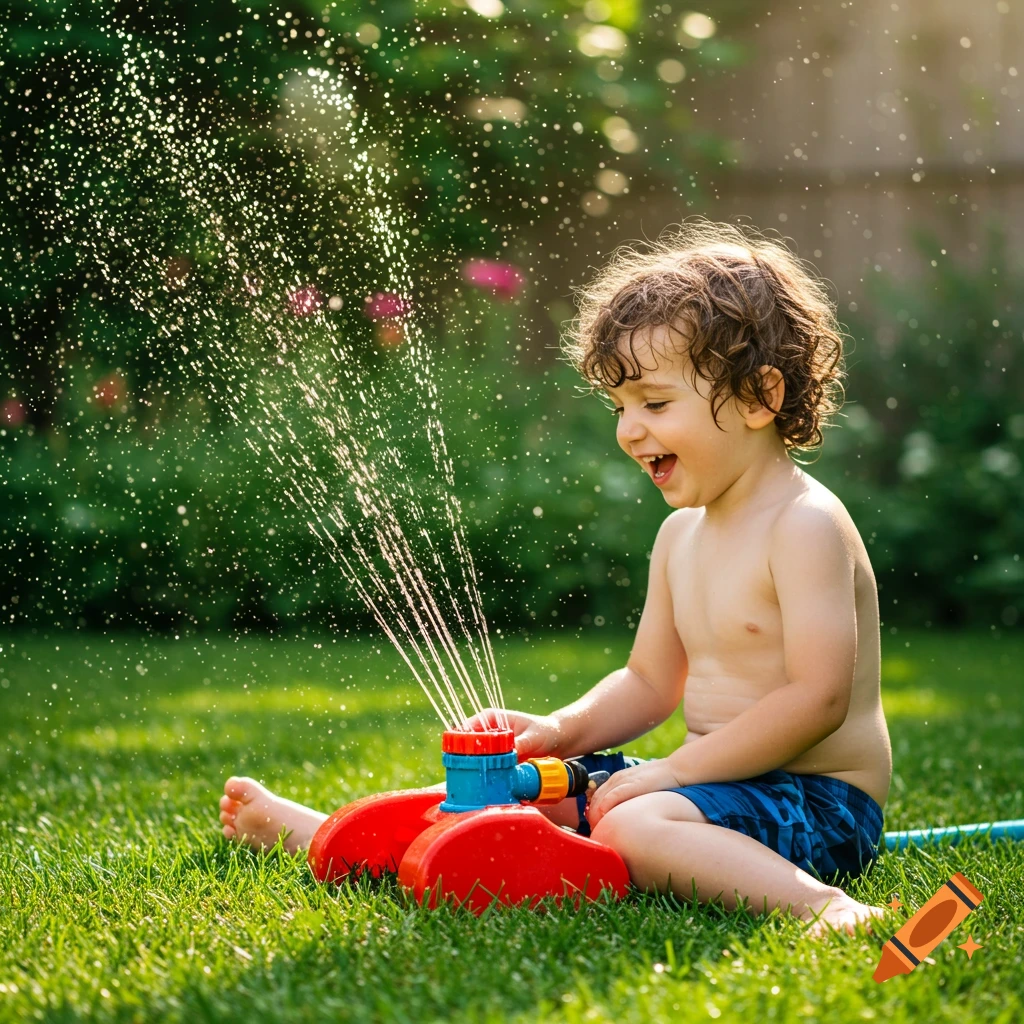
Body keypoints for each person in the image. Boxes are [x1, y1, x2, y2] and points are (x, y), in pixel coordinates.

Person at [217, 219, 893, 937]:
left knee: (634, 823)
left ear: (759, 397)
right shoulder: (680, 537)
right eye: (620, 407)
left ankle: (829, 907)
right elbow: (646, 683)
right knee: (521, 801)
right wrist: (559, 730)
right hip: (711, 786)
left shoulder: (804, 525)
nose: (630, 430)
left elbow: (816, 700)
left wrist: (669, 774)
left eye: (655, 404)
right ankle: (348, 839)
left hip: (820, 803)